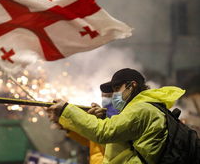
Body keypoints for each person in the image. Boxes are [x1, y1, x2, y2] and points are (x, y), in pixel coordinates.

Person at [47, 68, 185, 164]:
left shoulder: (141, 109)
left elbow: (104, 132)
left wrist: (66, 109)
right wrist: (101, 120)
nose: (114, 96)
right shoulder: (145, 108)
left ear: (132, 86)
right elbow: (118, 142)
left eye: (116, 89)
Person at [66, 92, 118, 164]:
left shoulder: (115, 115)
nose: (104, 98)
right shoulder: (100, 116)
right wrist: (68, 130)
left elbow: (111, 143)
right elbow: (88, 141)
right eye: (103, 96)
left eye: (108, 96)